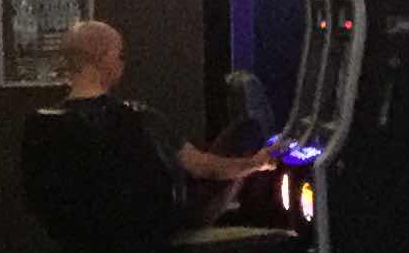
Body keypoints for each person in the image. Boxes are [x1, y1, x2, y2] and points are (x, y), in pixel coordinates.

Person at [55, 20, 277, 231]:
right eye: (119, 55)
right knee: (247, 130)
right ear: (104, 59)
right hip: (162, 225)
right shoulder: (139, 118)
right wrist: (256, 163)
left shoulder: (48, 126)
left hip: (92, 233)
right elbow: (204, 168)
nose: (122, 63)